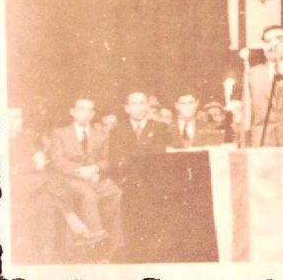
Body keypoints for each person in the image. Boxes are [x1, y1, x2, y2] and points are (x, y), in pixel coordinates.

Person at [10, 107, 106, 262]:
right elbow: (10, 169)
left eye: (20, 116)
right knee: (53, 182)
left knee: (48, 197)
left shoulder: (26, 139)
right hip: (14, 185)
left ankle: (55, 252)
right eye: (14, 117)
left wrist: (39, 159)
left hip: (38, 185)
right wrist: (33, 164)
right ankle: (72, 219)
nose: (20, 121)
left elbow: (41, 160)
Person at [49, 98, 124, 260]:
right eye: (81, 109)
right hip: (68, 180)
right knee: (89, 195)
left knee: (114, 192)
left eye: (90, 110)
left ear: (93, 114)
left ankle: (115, 244)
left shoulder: (101, 135)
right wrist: (79, 171)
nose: (86, 113)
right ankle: (95, 240)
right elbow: (57, 160)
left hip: (93, 178)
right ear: (73, 112)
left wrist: (95, 168)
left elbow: (106, 161)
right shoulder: (60, 133)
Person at [109, 92, 169, 179]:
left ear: (147, 106)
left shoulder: (160, 128)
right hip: (127, 179)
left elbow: (160, 156)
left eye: (142, 103)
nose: (139, 108)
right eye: (134, 104)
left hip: (154, 178)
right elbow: (115, 159)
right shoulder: (117, 131)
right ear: (127, 108)